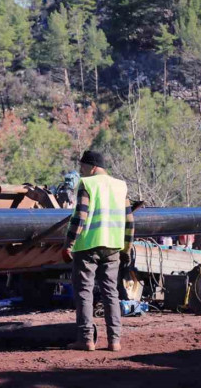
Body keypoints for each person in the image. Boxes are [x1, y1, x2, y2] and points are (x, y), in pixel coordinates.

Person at [62, 150, 135, 351]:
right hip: (113, 247)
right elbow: (130, 221)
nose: (81, 171)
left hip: (87, 246)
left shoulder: (87, 184)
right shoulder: (121, 186)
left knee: (84, 292)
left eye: (83, 167)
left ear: (92, 166)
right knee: (110, 292)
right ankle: (115, 341)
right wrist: (126, 248)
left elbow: (80, 217)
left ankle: (85, 339)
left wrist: (68, 244)